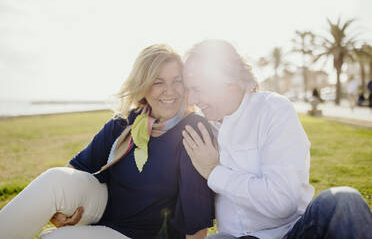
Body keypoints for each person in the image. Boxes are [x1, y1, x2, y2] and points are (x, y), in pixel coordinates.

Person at [0, 44, 214, 239]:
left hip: (146, 233)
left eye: (177, 81)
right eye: (158, 82)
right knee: (55, 179)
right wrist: (59, 211)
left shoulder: (193, 128)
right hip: (104, 210)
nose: (170, 90)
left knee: (52, 238)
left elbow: (196, 217)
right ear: (144, 86)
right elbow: (75, 170)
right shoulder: (127, 121)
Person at [181, 39, 372, 239]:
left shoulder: (274, 111)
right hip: (235, 237)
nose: (192, 100)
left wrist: (214, 172)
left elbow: (282, 202)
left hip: (292, 233)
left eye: (198, 89)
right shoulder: (201, 129)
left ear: (227, 80)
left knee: (344, 200)